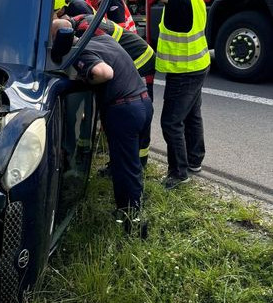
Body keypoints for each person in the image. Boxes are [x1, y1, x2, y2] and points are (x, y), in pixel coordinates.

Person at [73, 34, 153, 236]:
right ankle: (135, 204)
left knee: (124, 167)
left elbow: (104, 73)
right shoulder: (104, 40)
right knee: (133, 163)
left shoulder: (80, 51)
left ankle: (132, 222)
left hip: (124, 111)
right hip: (143, 101)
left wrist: (84, 78)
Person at [67, 14, 155, 166]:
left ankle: (139, 160)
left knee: (127, 103)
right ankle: (133, 160)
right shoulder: (87, 18)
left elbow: (100, 70)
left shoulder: (84, 31)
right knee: (136, 109)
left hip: (139, 59)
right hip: (129, 56)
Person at [156, 0, 210, 189]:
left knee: (171, 123)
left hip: (183, 70)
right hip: (198, 63)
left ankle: (178, 174)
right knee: (192, 115)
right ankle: (195, 160)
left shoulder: (179, 4)